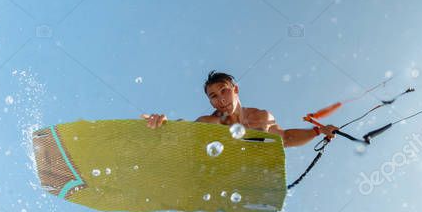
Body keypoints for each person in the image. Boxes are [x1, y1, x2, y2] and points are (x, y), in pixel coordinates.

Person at [142, 71, 338, 147]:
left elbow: (285, 138)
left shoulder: (261, 117)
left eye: (224, 91)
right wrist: (164, 123)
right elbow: (186, 131)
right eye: (213, 96)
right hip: (218, 171)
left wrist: (318, 130)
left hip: (254, 174)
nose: (220, 99)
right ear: (211, 102)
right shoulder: (210, 122)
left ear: (235, 90)